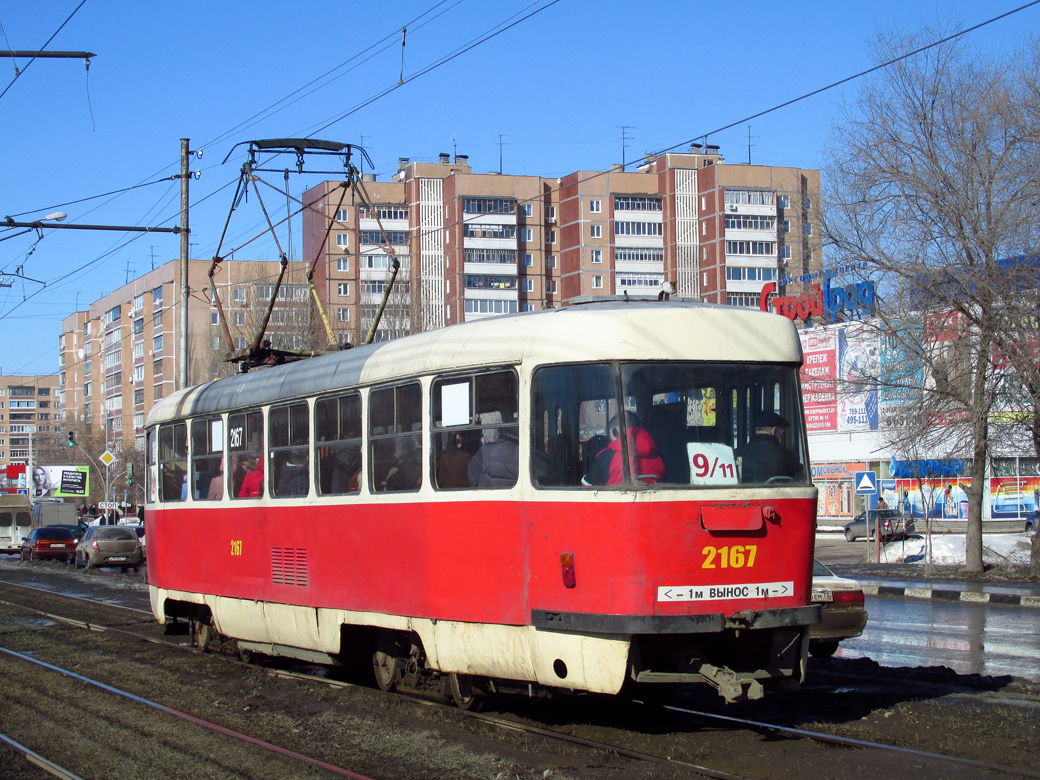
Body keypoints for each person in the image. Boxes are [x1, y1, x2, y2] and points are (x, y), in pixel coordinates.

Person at [582, 412, 665, 487]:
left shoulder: (606, 457)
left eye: (611, 437)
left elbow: (586, 486)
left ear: (616, 430)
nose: (610, 442)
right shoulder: (658, 457)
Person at [735, 411, 800, 483]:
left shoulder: (737, 453)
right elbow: (799, 479)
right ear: (774, 431)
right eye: (781, 434)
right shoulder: (790, 455)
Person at [468, 423, 520, 488]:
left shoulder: (486, 450)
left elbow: (473, 477)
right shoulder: (525, 452)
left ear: (501, 432)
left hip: (487, 494)